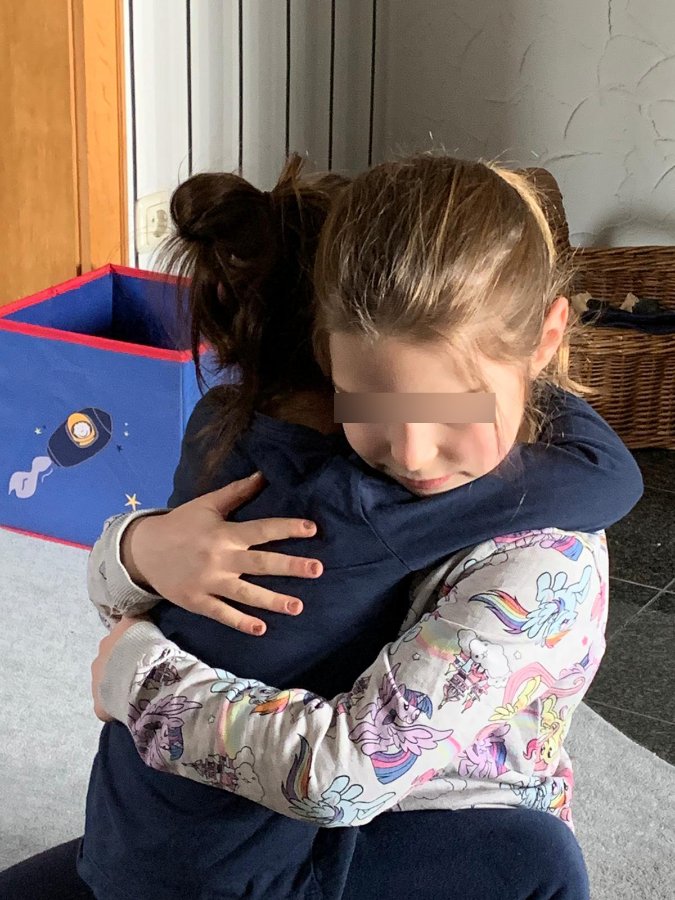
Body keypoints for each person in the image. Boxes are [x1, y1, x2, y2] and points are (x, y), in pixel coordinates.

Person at [0, 154, 641, 900]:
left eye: (452, 409)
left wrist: (137, 679)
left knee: (534, 861)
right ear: (324, 356)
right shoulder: (310, 471)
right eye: (369, 403)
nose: (411, 453)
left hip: (402, 813)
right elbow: (132, 599)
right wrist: (143, 550)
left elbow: (348, 771)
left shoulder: (541, 554)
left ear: (544, 338)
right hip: (267, 809)